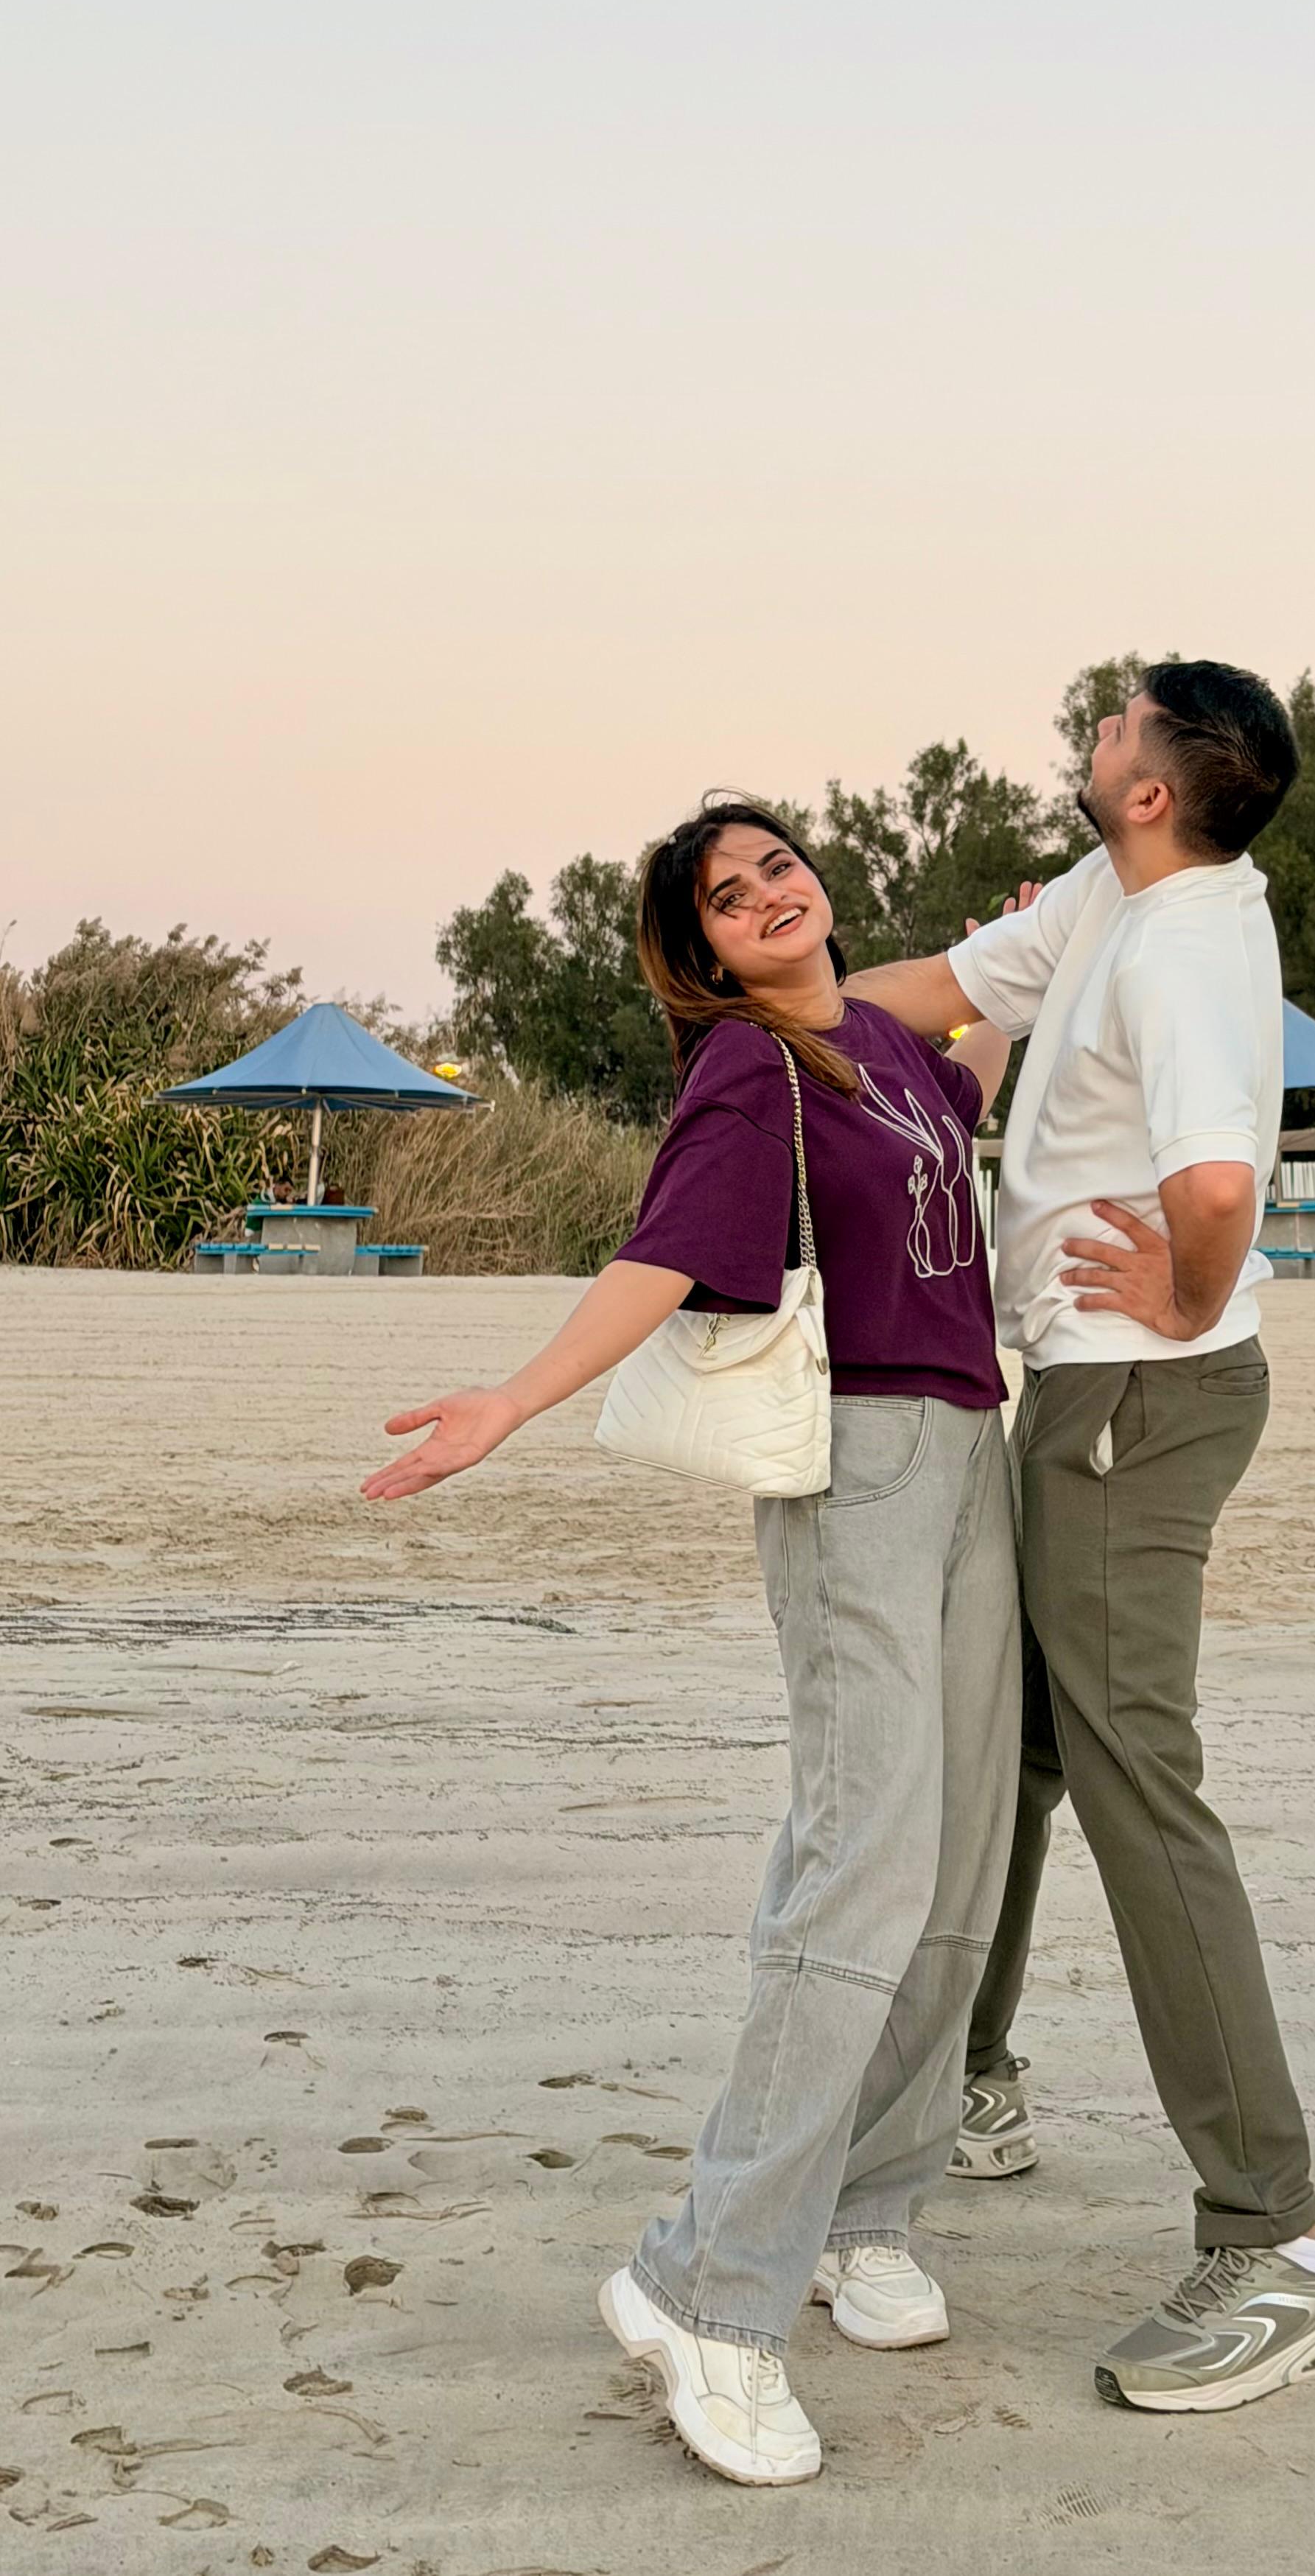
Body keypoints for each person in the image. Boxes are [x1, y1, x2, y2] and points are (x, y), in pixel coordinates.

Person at [360, 799, 1025, 2489]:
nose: (768, 894)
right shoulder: (748, 1069)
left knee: (959, 1865)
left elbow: (967, 1083)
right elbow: (661, 1255)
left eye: (777, 864)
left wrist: (1012, 966)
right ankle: (706, 2285)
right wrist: (510, 1399)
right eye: (729, 897)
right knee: (862, 1873)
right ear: (703, 953)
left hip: (975, 1455)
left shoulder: (885, 1041)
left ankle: (862, 2208)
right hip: (856, 1467)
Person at [846, 660, 1315, 2415]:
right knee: (1025, 1747)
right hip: (1090, 1394)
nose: (1095, 730)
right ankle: (968, 2078)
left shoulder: (1185, 948)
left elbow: (1216, 1186)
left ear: (1153, 786)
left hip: (1135, 1402)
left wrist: (1184, 1289)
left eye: (1118, 722)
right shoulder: (1109, 895)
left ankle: (1277, 2242)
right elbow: (938, 990)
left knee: (1137, 1779)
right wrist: (757, 1000)